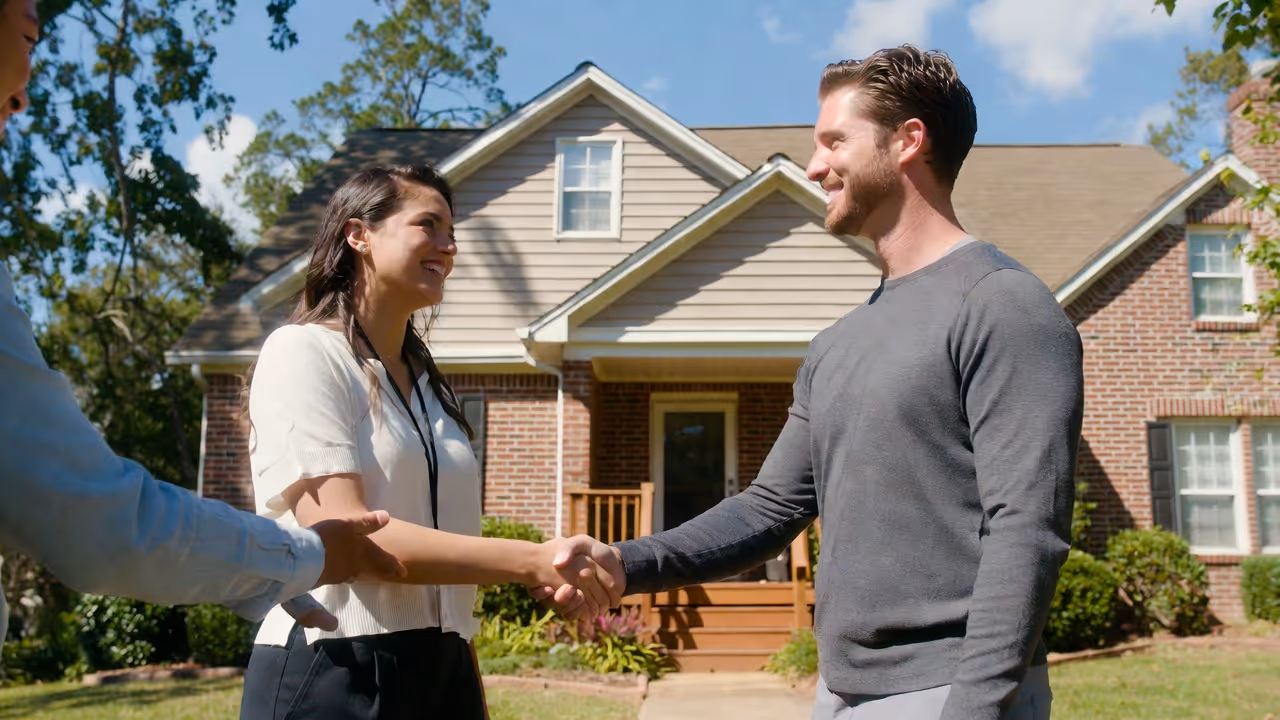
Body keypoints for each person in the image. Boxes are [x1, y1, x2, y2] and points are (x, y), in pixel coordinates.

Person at [540, 46, 1083, 720]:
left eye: (834, 142)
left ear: (909, 140)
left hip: (949, 692)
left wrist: (975, 707)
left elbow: (1027, 525)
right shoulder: (838, 344)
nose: (814, 166)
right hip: (839, 693)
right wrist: (626, 563)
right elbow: (768, 508)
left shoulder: (1001, 304)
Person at [0, 0, 415, 638]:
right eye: (29, 36)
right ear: (358, 237)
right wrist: (303, 556)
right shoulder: (301, 354)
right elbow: (101, 525)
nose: (25, 96)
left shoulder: (423, 378)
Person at [237, 163, 619, 720]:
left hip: (443, 668)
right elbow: (350, 541)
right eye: (428, 225)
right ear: (358, 234)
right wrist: (534, 561)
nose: (448, 246)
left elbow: (445, 567)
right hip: (334, 666)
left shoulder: (430, 389)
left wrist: (464, 674)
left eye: (452, 233)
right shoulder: (303, 353)